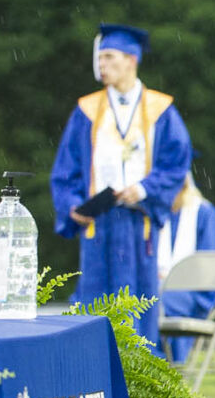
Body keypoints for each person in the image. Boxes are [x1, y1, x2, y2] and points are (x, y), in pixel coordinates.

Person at [50, 23, 193, 346]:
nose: (101, 64)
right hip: (98, 225)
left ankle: (139, 374)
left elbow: (175, 163)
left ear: (132, 60)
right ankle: (93, 368)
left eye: (109, 57)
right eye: (99, 58)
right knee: (95, 300)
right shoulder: (87, 110)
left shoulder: (161, 110)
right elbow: (66, 169)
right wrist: (73, 205)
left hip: (138, 224)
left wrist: (143, 189)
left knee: (138, 301)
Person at [157, 172, 215, 364]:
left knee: (150, 303)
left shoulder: (204, 214)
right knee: (138, 300)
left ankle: (161, 363)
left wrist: (174, 278)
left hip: (195, 295)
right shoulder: (157, 214)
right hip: (159, 289)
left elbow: (213, 268)